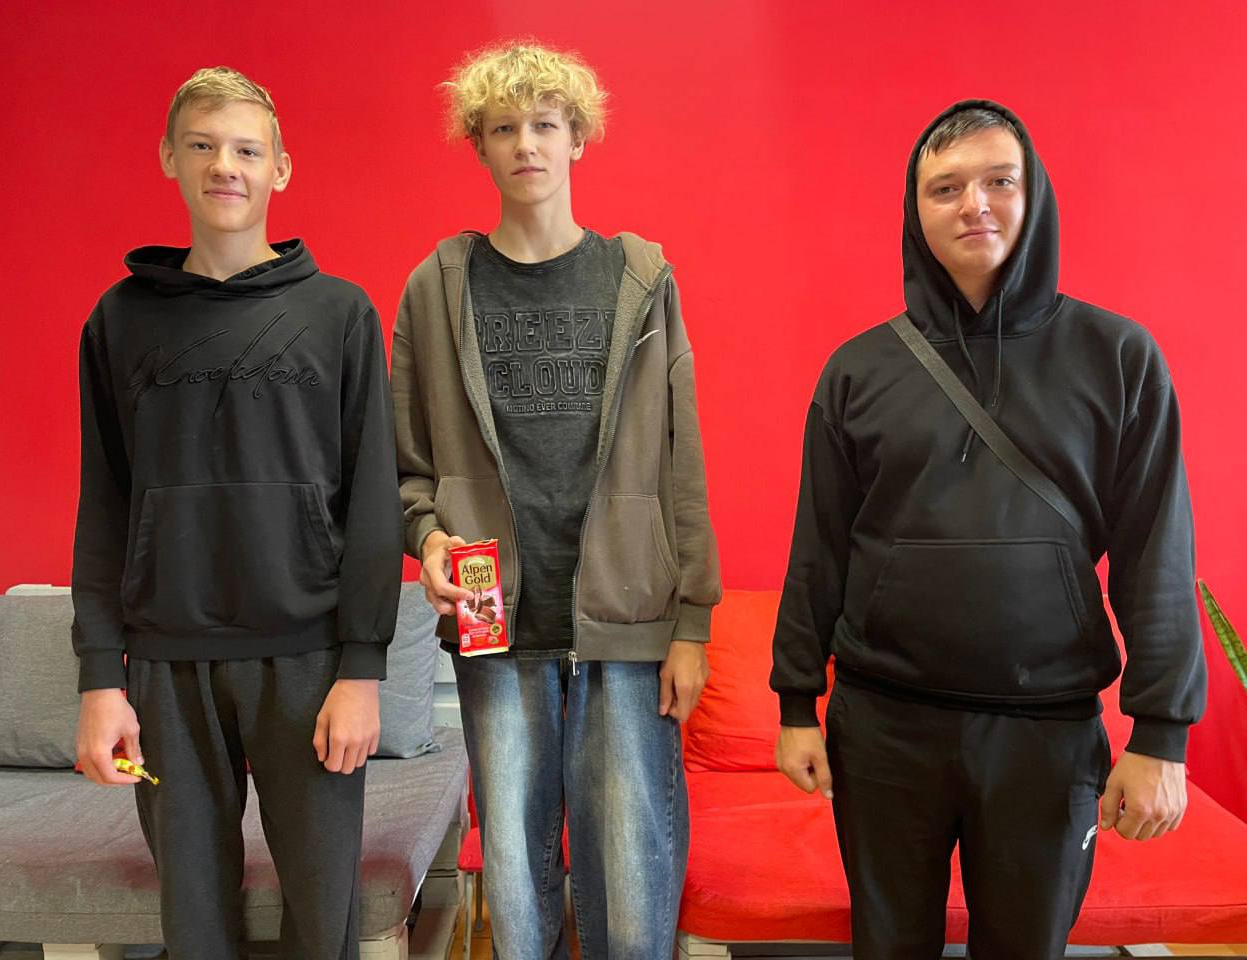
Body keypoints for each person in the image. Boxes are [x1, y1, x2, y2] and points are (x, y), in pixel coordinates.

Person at [771, 99, 1207, 959]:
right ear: (916, 212)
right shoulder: (858, 370)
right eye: (946, 188)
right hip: (884, 728)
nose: (974, 204)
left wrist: (1161, 735)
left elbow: (1157, 552)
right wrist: (795, 704)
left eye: (998, 181)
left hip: (1047, 735)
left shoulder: (1119, 357)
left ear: (1033, 194)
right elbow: (817, 548)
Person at [391, 41, 721, 959]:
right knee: (512, 865)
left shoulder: (641, 279)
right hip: (494, 616)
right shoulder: (436, 287)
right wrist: (428, 539)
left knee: (633, 867)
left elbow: (681, 460)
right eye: (504, 128)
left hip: (629, 613)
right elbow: (405, 467)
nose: (525, 144)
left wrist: (693, 623)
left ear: (578, 138)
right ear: (479, 146)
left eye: (544, 124)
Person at [71, 66, 402, 960]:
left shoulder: (340, 314)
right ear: (169, 158)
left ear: (280, 168)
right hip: (166, 666)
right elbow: (104, 505)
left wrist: (362, 668)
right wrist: (100, 679)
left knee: (322, 921)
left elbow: (373, 502)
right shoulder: (118, 322)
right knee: (195, 925)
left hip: (309, 662)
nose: (226, 165)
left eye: (247, 150)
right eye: (204, 145)